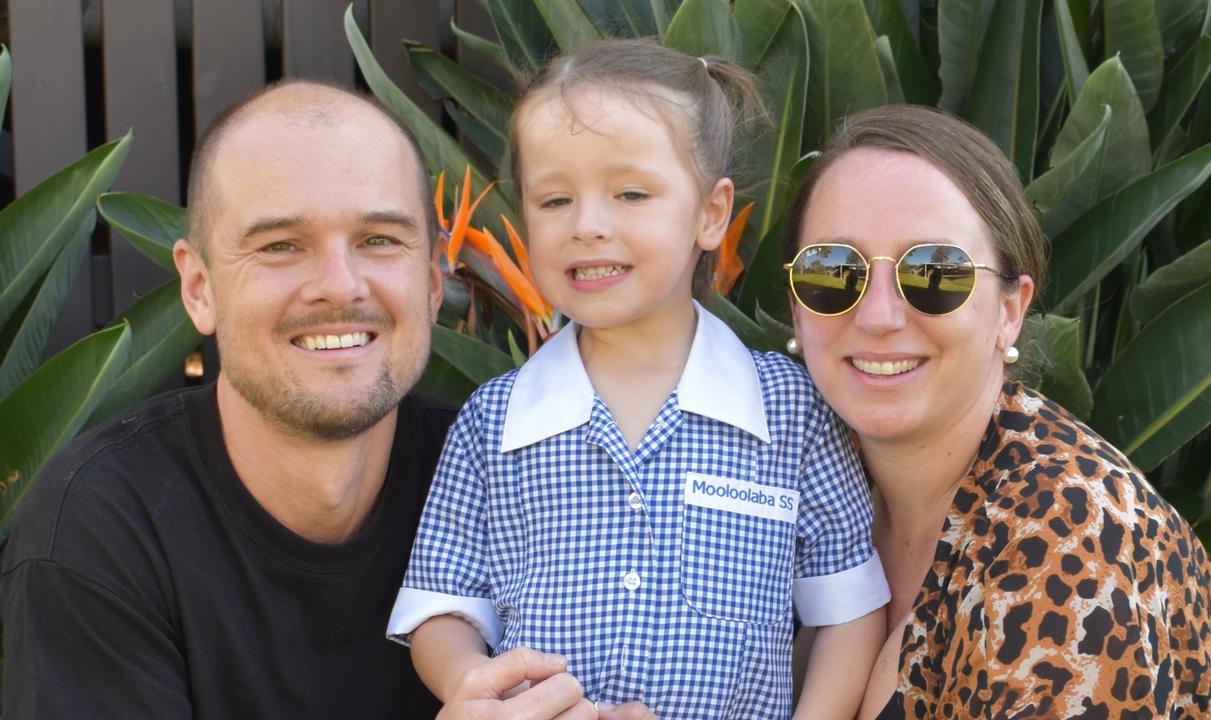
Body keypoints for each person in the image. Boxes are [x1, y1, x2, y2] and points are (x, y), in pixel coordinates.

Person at [0, 80, 588, 720]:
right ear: (199, 289)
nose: (339, 286)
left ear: (429, 284)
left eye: (379, 239)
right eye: (280, 246)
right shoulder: (102, 524)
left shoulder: (521, 483)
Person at [387, 38, 889, 719]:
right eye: (555, 199)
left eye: (630, 193)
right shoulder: (493, 422)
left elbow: (848, 612)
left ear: (711, 214)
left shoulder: (790, 412)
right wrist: (474, 685)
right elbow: (442, 608)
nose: (589, 226)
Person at [780, 104, 1211, 718]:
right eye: (834, 270)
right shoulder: (791, 475)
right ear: (798, 308)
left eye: (935, 272)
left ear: (1010, 310)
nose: (878, 316)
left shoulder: (1074, 544)